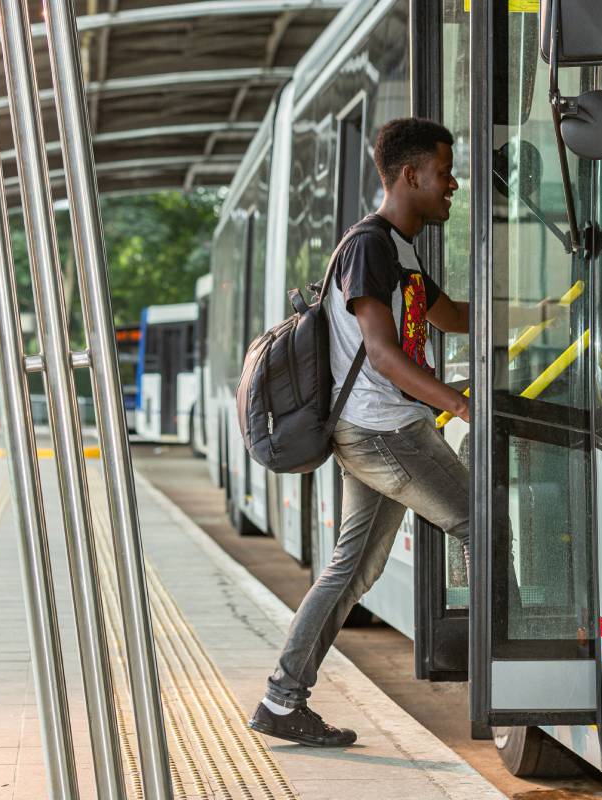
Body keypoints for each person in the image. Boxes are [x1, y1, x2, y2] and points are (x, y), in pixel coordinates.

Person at [248, 117, 477, 749]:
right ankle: (507, 680)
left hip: (378, 430)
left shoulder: (400, 251)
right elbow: (382, 353)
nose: (452, 184)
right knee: (483, 525)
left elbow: (451, 316)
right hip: (383, 434)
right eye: (443, 171)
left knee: (349, 571)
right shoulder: (369, 247)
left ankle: (281, 699)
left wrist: (548, 309)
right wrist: (459, 407)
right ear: (410, 175)